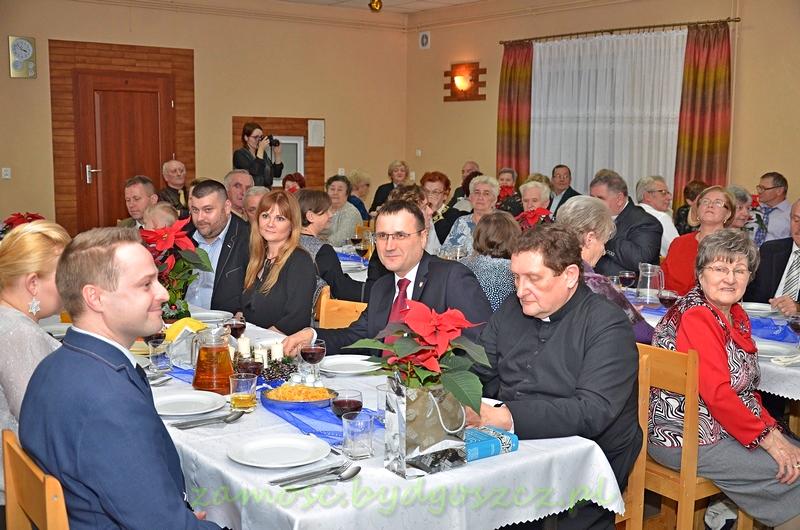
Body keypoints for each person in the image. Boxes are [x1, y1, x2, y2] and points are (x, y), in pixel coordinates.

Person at [18, 227, 223, 529]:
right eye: (145, 284)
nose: (163, 293)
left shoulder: (53, 364)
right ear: (95, 298)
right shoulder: (108, 401)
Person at [470, 224, 641, 529]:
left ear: (570, 276)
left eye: (534, 278)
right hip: (515, 444)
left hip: (587, 456)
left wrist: (507, 418)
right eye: (516, 277)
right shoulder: (513, 308)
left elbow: (592, 411)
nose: (521, 290)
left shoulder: (606, 323)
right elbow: (480, 367)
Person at [648, 229, 800, 529]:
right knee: (792, 469)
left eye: (739, 270)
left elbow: (745, 391)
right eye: (719, 268)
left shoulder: (734, 314)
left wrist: (773, 430)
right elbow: (718, 394)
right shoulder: (698, 316)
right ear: (700, 274)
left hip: (720, 429)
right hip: (686, 437)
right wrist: (770, 440)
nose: (730, 278)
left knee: (792, 456)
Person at [282, 200, 492, 356]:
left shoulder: (451, 278)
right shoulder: (383, 286)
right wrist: (313, 336)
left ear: (423, 237)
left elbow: (480, 348)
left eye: (400, 235)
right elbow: (358, 336)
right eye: (382, 236)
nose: (389, 246)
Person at [0, 221, 70, 515]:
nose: (72, 284)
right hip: (18, 494)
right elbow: (42, 423)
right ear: (32, 284)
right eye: (64, 276)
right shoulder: (17, 333)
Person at [557, 196, 654, 343]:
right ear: (589, 239)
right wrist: (626, 311)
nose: (603, 252)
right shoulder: (594, 283)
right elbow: (646, 336)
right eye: (603, 243)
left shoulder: (546, 268)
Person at [241, 191, 315, 334]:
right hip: (252, 339)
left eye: (280, 218)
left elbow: (297, 319)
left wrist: (259, 340)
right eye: (265, 216)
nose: (270, 224)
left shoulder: (300, 261)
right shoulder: (257, 257)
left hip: (280, 346)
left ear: (292, 224)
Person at [186, 180, 250, 314]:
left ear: (227, 207)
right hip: (182, 321)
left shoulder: (247, 239)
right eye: (195, 210)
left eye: (208, 210)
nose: (200, 218)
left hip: (223, 325)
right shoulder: (184, 236)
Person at [297, 189, 369, 302]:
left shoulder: (287, 242)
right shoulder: (321, 251)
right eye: (326, 211)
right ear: (310, 216)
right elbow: (342, 289)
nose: (331, 215)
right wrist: (376, 291)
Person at [663, 186, 735, 296]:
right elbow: (661, 280)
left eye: (718, 203)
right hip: (670, 306)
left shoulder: (733, 247)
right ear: (697, 209)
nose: (710, 205)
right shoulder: (678, 243)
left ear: (728, 214)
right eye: (705, 202)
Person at [590, 169, 662, 276]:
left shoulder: (646, 222)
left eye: (600, 198)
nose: (593, 203)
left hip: (627, 289)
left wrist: (603, 236)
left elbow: (638, 260)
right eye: (592, 198)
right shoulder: (592, 218)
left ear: (619, 199)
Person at [745, 198, 800, 317]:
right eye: (796, 220)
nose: (799, 228)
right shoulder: (769, 250)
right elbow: (749, 294)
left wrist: (797, 308)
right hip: (762, 325)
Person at [460, 211, 518, 312]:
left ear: (478, 235)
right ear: (513, 237)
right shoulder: (515, 272)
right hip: (499, 325)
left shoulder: (460, 265)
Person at [443, 175, 498, 254]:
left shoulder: (502, 224)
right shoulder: (461, 222)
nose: (480, 197)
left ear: (494, 200)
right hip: (458, 266)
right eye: (477, 192)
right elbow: (445, 252)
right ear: (470, 197)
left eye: (486, 193)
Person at [635, 175, 679, 257]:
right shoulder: (660, 218)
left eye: (668, 193)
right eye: (663, 193)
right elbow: (678, 250)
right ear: (647, 196)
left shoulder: (628, 212)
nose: (670, 197)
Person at [421, 170, 467, 244]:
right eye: (426, 191)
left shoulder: (454, 215)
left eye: (435, 192)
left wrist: (434, 213)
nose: (429, 195)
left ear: (445, 195)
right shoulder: (417, 214)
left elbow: (447, 242)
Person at [233, 122, 283, 188]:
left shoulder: (263, 154)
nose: (259, 140)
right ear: (246, 138)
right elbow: (255, 171)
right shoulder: (239, 154)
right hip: (250, 193)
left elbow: (277, 174)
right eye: (255, 137)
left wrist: (277, 154)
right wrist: (261, 149)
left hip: (266, 192)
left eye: (261, 137)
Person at [320, 175, 363, 247]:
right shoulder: (322, 209)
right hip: (323, 249)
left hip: (345, 255)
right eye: (332, 189)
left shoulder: (351, 212)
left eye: (339, 190)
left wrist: (315, 245)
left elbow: (340, 240)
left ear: (347, 194)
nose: (335, 193)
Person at [750, 172, 791, 246]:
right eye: (759, 188)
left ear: (779, 191)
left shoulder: (792, 214)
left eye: (763, 188)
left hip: (775, 256)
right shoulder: (751, 208)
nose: (759, 192)